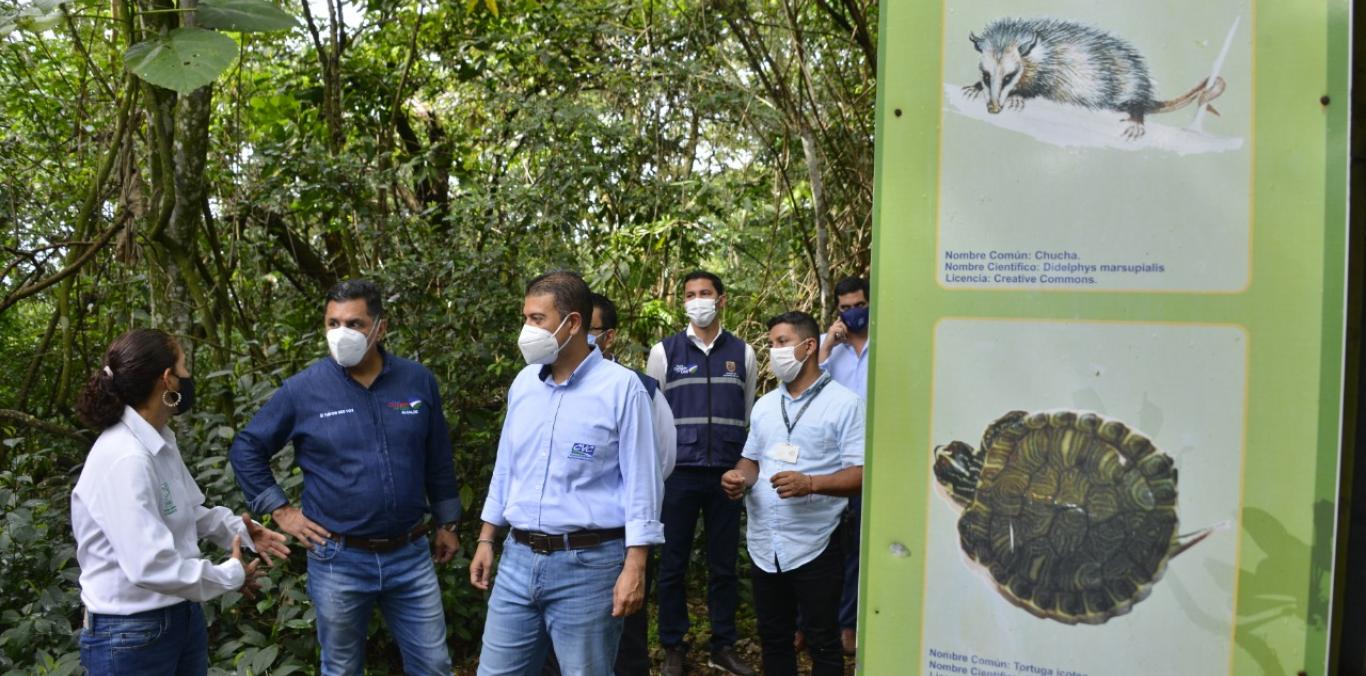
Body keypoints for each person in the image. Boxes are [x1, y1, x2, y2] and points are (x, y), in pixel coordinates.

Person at [229, 279, 461, 674]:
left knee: (435, 664)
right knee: (340, 667)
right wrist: (282, 511)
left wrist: (448, 521)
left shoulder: (416, 381)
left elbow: (437, 457)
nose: (341, 334)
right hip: (339, 556)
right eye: (332, 323)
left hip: (410, 553)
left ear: (379, 328)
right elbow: (246, 448)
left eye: (354, 324)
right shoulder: (304, 390)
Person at [471, 271, 664, 675]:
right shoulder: (524, 384)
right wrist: (488, 536)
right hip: (518, 560)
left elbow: (643, 484)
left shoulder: (622, 388)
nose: (527, 330)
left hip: (589, 566)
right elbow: (507, 466)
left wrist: (636, 565)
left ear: (573, 323)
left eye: (537, 319)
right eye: (525, 318)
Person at [72, 329, 289, 675]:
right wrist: (227, 575)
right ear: (167, 380)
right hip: (131, 632)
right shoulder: (126, 457)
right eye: (185, 367)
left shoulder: (157, 440)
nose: (189, 377)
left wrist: (240, 531)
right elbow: (150, 565)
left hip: (178, 616)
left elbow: (186, 510)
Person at [721, 311, 865, 676]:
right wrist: (739, 477)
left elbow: (861, 474)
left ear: (809, 345)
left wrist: (811, 483)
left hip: (815, 543)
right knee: (774, 637)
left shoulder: (845, 403)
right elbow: (751, 461)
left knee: (823, 640)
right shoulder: (766, 405)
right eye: (771, 344)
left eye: (782, 342)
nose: (774, 351)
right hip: (764, 544)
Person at [646, 271, 756, 676]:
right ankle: (674, 645)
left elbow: (747, 416)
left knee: (723, 565)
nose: (698, 300)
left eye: (705, 293)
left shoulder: (742, 354)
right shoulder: (664, 352)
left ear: (721, 299)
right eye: (691, 294)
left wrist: (740, 468)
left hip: (727, 476)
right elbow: (652, 415)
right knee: (672, 563)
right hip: (678, 475)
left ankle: (722, 645)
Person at [816, 275, 871, 654]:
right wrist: (827, 345)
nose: (853, 313)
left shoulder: (886, 343)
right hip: (831, 460)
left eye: (858, 305)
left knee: (859, 546)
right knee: (825, 545)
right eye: (845, 307)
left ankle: (849, 625)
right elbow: (804, 388)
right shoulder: (828, 349)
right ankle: (812, 624)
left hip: (874, 460)